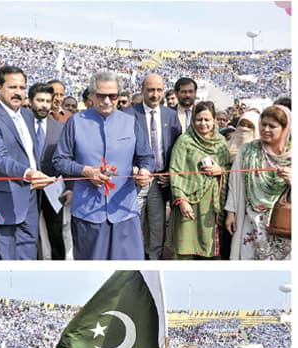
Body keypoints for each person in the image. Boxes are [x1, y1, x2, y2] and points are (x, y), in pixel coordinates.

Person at [52, 71, 153, 260]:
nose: (107, 100)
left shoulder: (130, 122)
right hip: (88, 212)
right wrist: (84, 171)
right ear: (91, 96)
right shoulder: (75, 122)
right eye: (101, 95)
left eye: (113, 96)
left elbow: (146, 156)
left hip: (124, 210)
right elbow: (59, 160)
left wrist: (145, 171)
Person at [0, 66, 57, 259]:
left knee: (28, 253)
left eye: (21, 87)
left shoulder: (28, 115)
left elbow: (31, 153)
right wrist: (28, 173)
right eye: (12, 87)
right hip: (3, 199)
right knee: (5, 260)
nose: (18, 92)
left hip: (29, 197)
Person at [123, 73, 182, 260]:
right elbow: (122, 147)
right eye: (150, 90)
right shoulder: (128, 115)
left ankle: (154, 259)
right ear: (142, 90)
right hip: (137, 180)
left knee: (157, 226)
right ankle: (136, 260)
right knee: (135, 224)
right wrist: (131, 167)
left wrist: (170, 173)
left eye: (158, 90)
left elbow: (176, 147)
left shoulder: (171, 115)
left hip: (159, 180)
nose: (155, 94)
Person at [225, 105, 291, 260]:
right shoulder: (248, 150)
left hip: (280, 221)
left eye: (272, 126)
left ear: (284, 129)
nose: (266, 129)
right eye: (263, 124)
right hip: (250, 218)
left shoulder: (292, 156)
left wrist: (292, 180)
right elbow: (234, 183)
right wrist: (230, 212)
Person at [169, 101, 232, 260]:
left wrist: (220, 171)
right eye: (199, 120)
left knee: (210, 248)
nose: (203, 124)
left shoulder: (221, 143)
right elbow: (175, 171)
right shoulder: (185, 141)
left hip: (212, 205)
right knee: (186, 247)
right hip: (189, 204)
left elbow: (230, 170)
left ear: (214, 120)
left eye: (207, 120)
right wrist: (182, 201)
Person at [26, 82, 67, 260]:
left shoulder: (60, 127)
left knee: (56, 234)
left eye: (47, 101)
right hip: (27, 188)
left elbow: (67, 157)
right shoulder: (21, 126)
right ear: (30, 101)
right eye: (40, 100)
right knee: (29, 234)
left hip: (53, 189)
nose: (44, 105)